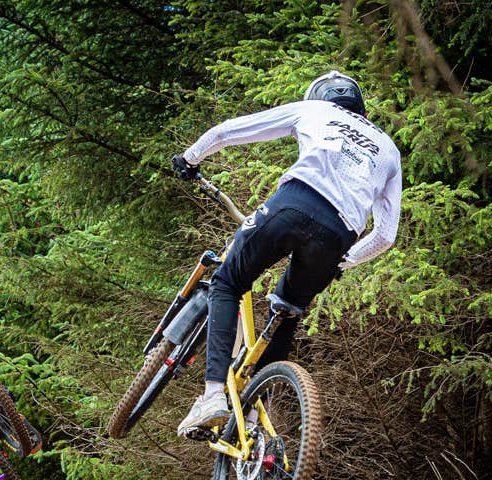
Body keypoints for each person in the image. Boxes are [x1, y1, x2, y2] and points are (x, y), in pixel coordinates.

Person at [172, 70, 402, 437]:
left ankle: (214, 393)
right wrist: (346, 260)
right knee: (288, 311)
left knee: (228, 281)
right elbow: (386, 234)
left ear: (319, 95)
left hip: (294, 205)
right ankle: (251, 409)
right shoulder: (388, 148)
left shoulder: (314, 110)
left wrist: (190, 157)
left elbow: (231, 130)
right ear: (360, 107)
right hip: (338, 236)